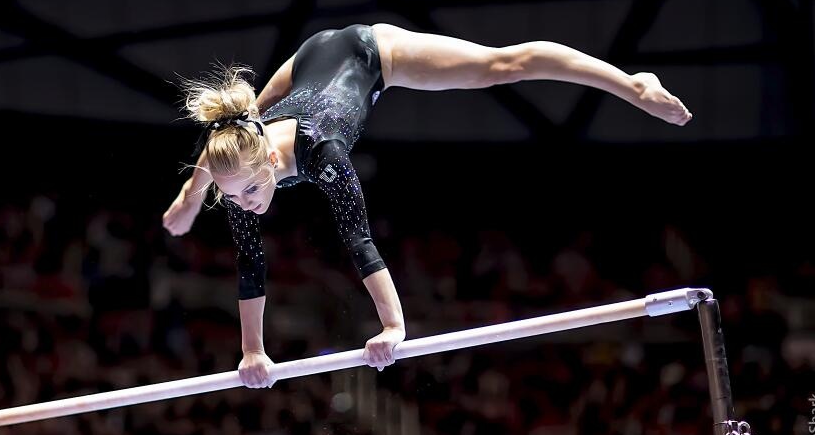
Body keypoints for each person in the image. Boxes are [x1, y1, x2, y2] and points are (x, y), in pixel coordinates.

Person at [161, 23, 692, 388]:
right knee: (225, 142)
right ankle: (191, 193)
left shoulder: (323, 152)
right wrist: (252, 350)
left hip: (370, 52)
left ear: (269, 166)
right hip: (306, 63)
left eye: (250, 192)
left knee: (501, 66)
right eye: (233, 198)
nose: (247, 206)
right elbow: (250, 264)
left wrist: (394, 326)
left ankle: (631, 84)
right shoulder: (235, 161)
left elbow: (358, 239)